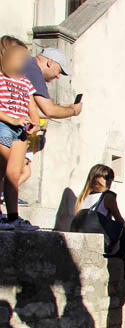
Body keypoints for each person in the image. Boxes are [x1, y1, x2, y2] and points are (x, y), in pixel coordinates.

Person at [0, 38, 40, 231]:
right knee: (3, 169)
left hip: (20, 131)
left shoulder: (24, 82)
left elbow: (32, 106)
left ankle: (13, 217)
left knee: (14, 174)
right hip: (4, 126)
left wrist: (36, 123)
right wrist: (11, 119)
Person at [73, 164, 125, 277]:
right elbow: (119, 220)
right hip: (101, 240)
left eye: (111, 178)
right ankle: (124, 269)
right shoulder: (108, 196)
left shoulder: (82, 197)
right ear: (96, 177)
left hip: (82, 240)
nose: (109, 180)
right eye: (106, 177)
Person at [23, 46, 82, 120]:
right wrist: (74, 111)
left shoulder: (28, 64)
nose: (58, 76)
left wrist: (63, 108)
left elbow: (34, 111)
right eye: (59, 71)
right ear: (50, 62)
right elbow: (49, 110)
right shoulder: (34, 70)